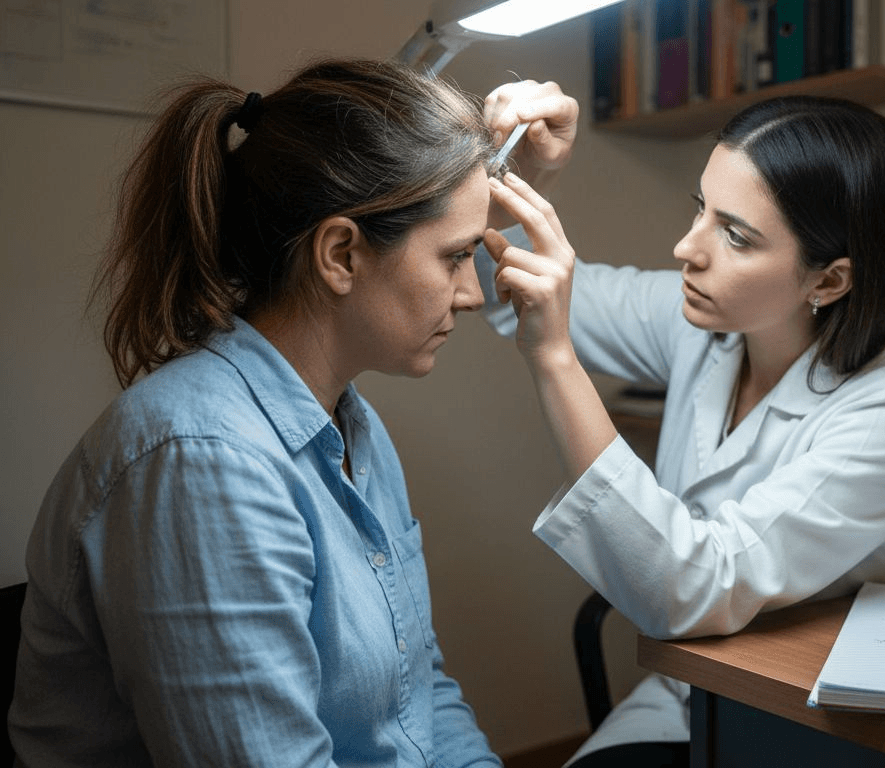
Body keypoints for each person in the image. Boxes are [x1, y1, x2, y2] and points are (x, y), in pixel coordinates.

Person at [6, 58, 558, 767]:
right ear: (339, 255)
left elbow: (416, 695)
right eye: (454, 258)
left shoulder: (352, 426)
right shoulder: (202, 463)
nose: (473, 294)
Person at [478, 87, 885, 767]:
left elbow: (695, 589)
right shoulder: (708, 325)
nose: (685, 250)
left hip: (811, 720)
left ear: (830, 280)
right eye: (701, 210)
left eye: (735, 235)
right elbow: (521, 288)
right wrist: (524, 173)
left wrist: (554, 359)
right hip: (685, 697)